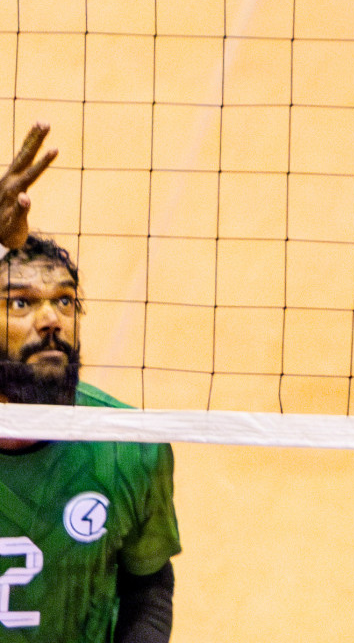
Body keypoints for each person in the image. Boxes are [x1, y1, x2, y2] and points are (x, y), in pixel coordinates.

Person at [0, 123, 181, 643]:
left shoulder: (129, 447)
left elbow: (148, 588)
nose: (51, 318)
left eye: (65, 300)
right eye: (21, 303)